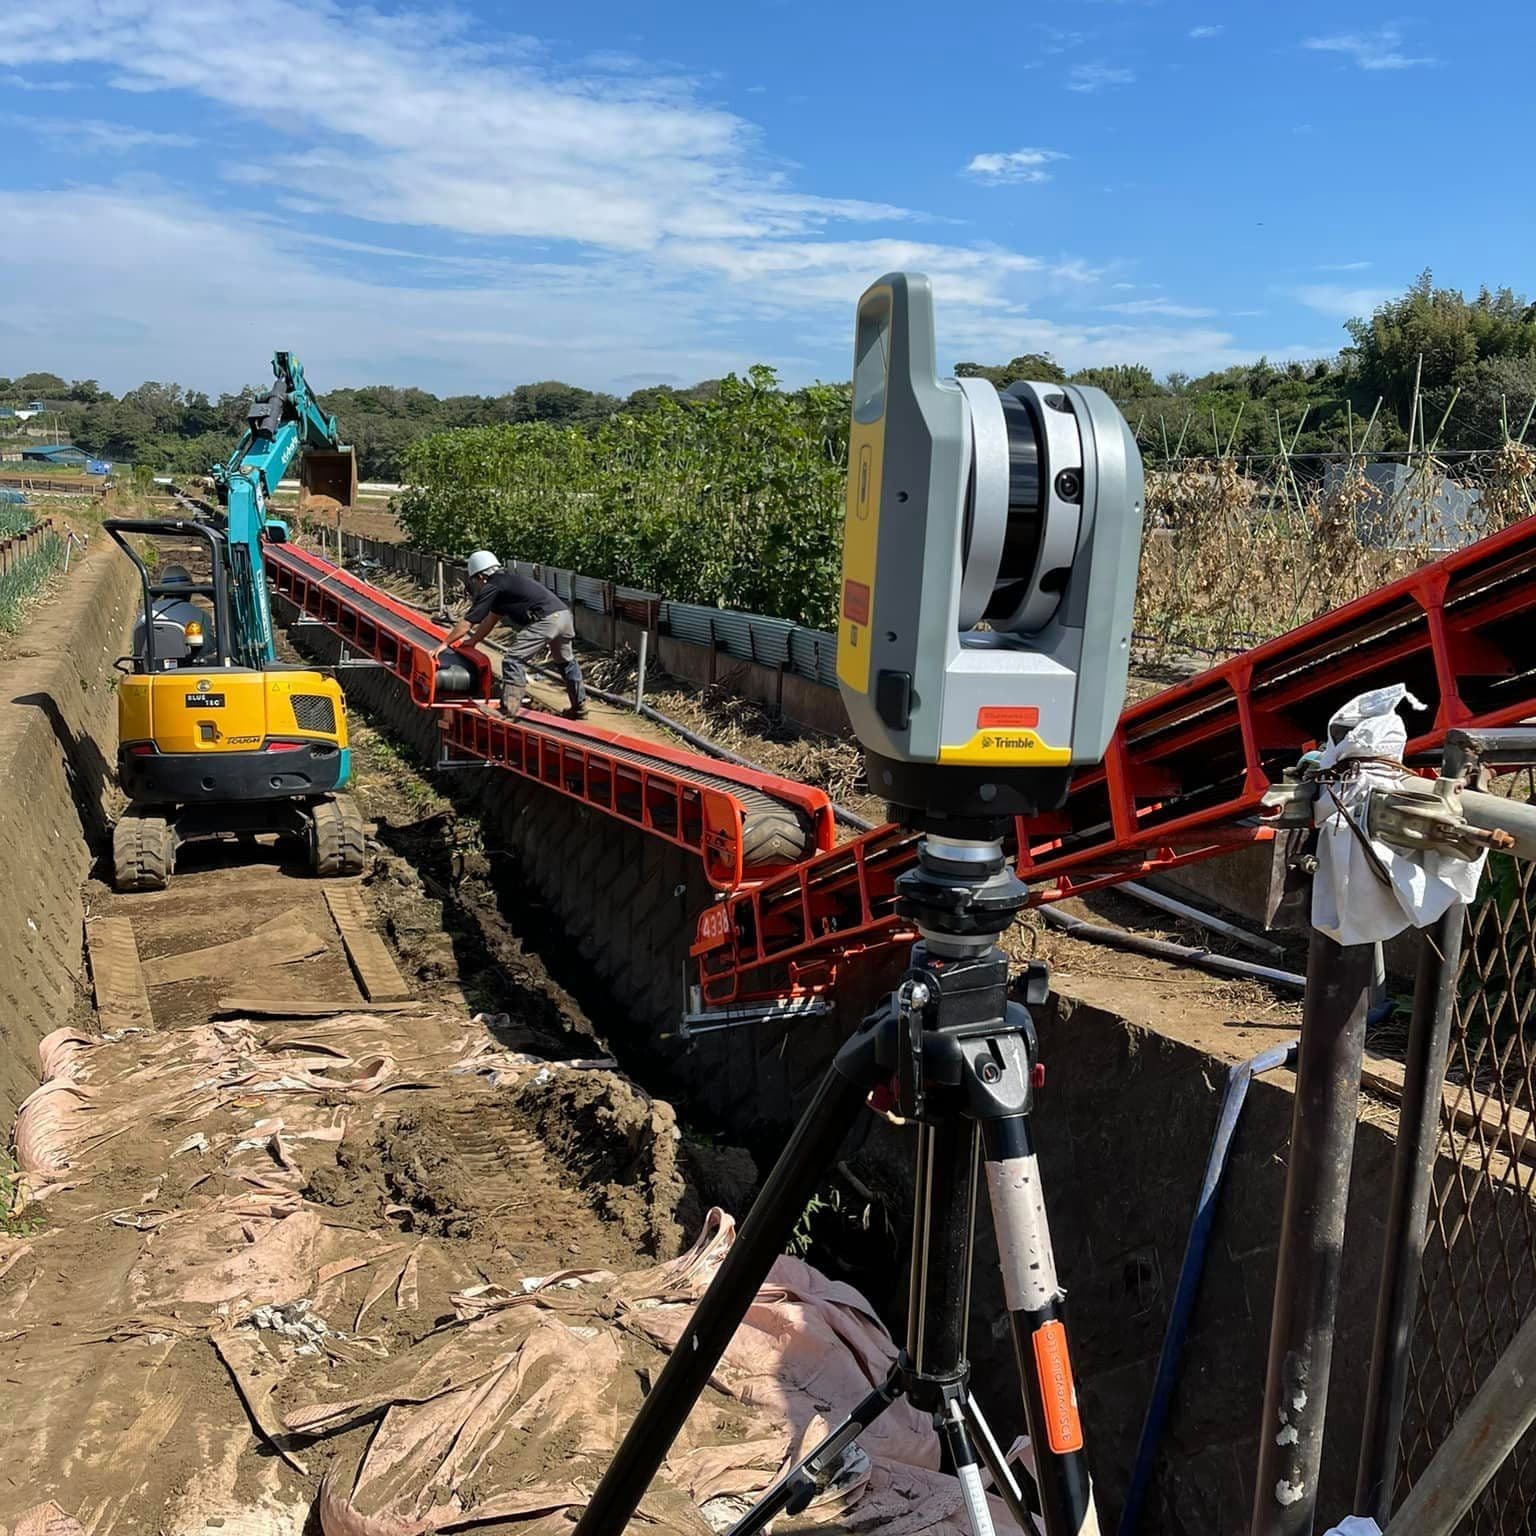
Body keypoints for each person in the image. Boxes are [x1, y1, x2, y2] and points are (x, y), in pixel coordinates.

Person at [435, 550, 588, 720]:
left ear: (480, 576)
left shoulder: (493, 584)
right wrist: (473, 641)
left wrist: (445, 643)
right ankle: (579, 707)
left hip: (546, 619)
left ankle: (508, 710)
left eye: (475, 580)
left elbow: (469, 620)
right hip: (564, 616)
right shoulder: (507, 582)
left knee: (512, 659)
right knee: (566, 663)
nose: (477, 585)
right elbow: (492, 619)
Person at [131, 564, 208, 664]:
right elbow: (209, 648)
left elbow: (137, 644)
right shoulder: (200, 615)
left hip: (148, 668)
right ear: (190, 591)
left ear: (162, 592)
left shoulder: (145, 614)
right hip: (187, 670)